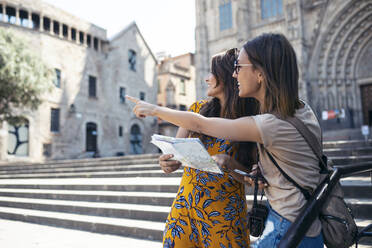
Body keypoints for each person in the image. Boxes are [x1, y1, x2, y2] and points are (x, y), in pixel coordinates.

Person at [127, 33, 324, 248]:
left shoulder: (264, 123)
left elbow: (201, 125)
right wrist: (169, 161)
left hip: (241, 218)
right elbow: (188, 139)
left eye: (239, 68)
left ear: (259, 74)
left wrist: (155, 109)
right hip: (189, 210)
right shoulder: (299, 111)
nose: (235, 74)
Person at [158, 48, 259, 248]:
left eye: (212, 73)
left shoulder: (250, 120)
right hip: (185, 209)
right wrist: (167, 162)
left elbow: (252, 178)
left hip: (224, 216)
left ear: (227, 76)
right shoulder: (197, 110)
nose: (206, 78)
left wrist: (230, 164)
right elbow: (175, 153)